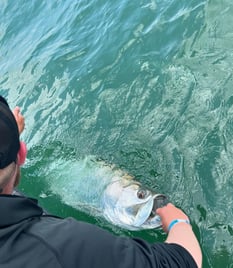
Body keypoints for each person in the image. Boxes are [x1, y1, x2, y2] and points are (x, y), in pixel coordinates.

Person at [0, 95, 202, 268]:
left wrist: (10, 138)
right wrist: (178, 222)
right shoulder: (62, 245)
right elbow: (182, 261)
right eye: (141, 194)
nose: (143, 197)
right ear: (22, 153)